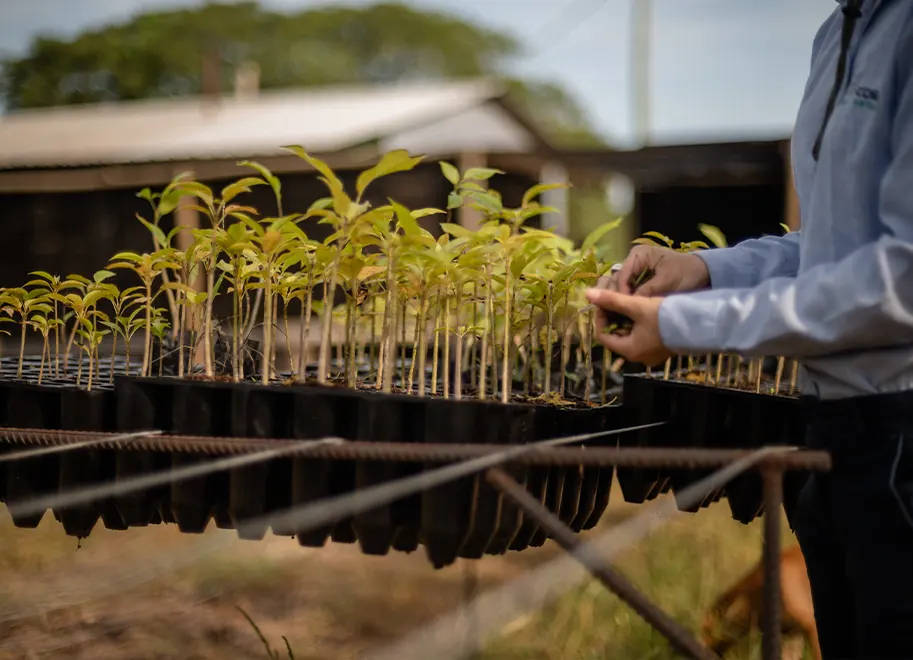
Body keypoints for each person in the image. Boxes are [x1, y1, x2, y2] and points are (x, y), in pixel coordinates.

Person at [585, 1, 913, 658]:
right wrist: (700, 271)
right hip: (831, 431)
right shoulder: (839, 31)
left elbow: (897, 278)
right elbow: (826, 249)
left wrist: (685, 325)